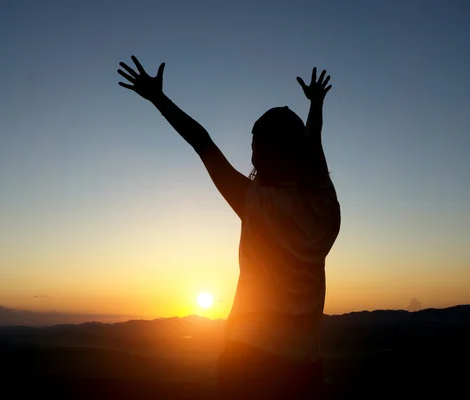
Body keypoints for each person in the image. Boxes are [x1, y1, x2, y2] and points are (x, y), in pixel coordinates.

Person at [117, 56, 341, 398]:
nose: (251, 157)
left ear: (266, 154)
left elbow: (202, 143)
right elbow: (314, 146)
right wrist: (316, 105)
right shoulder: (326, 207)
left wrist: (158, 99)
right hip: (306, 368)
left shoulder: (253, 202)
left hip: (249, 360)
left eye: (255, 148)